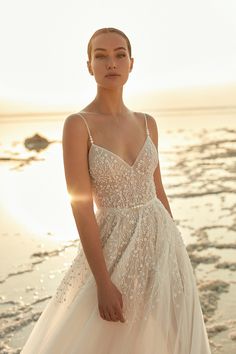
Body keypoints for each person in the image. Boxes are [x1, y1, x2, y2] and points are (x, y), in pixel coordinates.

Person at [21, 27, 211, 353]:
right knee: (110, 338)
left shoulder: (148, 122)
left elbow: (158, 189)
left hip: (163, 244)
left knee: (169, 337)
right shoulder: (78, 124)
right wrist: (102, 282)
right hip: (113, 249)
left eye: (120, 54)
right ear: (89, 65)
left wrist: (176, 250)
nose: (112, 63)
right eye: (101, 56)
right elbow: (80, 207)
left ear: (131, 63)